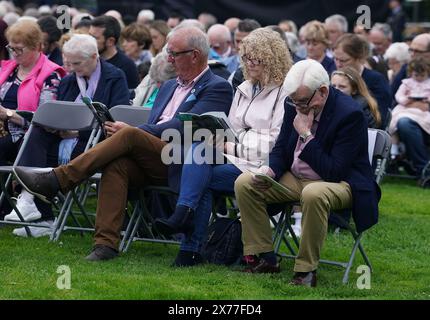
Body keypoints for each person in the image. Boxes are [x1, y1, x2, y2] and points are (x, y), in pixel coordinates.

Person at [14, 26, 233, 259]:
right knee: (116, 165)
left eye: (174, 54)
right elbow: (155, 125)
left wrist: (135, 132)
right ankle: (105, 244)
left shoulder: (217, 87)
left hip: (185, 162)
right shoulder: (169, 85)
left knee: (129, 135)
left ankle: (58, 179)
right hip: (154, 158)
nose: (168, 59)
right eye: (169, 53)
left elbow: (184, 127)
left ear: (195, 55)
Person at [234, 59, 380, 287]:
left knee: (313, 193)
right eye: (293, 100)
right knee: (245, 182)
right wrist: (270, 169)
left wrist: (305, 135)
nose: (297, 106)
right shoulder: (292, 103)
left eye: (302, 101)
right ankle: (264, 257)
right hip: (297, 176)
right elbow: (282, 147)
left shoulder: (350, 114)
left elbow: (334, 170)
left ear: (322, 91)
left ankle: (306, 271)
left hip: (342, 183)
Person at [153, 28, 292, 266]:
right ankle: (186, 226)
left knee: (201, 176)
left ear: (271, 57)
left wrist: (232, 146)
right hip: (236, 157)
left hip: (265, 165)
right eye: (246, 56)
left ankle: (188, 241)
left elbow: (275, 142)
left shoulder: (285, 92)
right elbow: (232, 128)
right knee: (199, 148)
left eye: (256, 57)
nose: (249, 62)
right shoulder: (245, 88)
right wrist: (220, 138)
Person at [5, 34, 130, 237]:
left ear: (94, 57)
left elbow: (115, 118)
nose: (71, 68)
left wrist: (77, 131)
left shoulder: (115, 77)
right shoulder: (69, 80)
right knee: (36, 131)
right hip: (64, 140)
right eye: (68, 62)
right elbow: (61, 113)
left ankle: (34, 204)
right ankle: (35, 208)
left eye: (77, 63)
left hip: (95, 143)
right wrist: (57, 127)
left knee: (46, 150)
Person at [0, 20, 65, 219]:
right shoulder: (7, 69)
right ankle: (7, 205)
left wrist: (9, 115)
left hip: (33, 135)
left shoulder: (50, 75)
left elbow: (44, 120)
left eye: (19, 49)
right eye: (11, 47)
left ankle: (19, 204)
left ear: (37, 47)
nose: (14, 53)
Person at [334, 33, 391, 129]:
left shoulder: (376, 80)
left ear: (359, 58)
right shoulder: (334, 77)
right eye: (335, 59)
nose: (338, 64)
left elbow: (379, 119)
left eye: (344, 60)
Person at [389, 57, 430, 177]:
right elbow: (398, 95)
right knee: (398, 122)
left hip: (423, 112)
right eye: (416, 75)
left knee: (407, 122)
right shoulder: (407, 83)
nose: (418, 78)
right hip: (405, 108)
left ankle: (423, 167)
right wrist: (406, 100)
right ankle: (394, 153)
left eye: (421, 75)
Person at [89, 15, 140, 89]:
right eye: (89, 36)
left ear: (110, 41)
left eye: (95, 38)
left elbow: (131, 97)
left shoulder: (127, 66)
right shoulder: (86, 60)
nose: (89, 41)